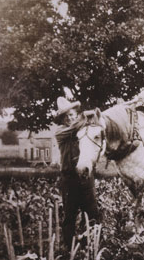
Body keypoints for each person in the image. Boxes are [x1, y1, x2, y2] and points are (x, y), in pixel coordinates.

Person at [54, 97, 101, 249]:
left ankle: (91, 245)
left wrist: (94, 116)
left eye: (73, 114)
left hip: (86, 178)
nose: (71, 118)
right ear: (62, 119)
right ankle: (69, 247)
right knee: (70, 214)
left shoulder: (82, 131)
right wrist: (89, 114)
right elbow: (77, 126)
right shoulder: (61, 132)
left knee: (92, 213)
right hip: (70, 179)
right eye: (67, 116)